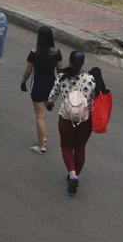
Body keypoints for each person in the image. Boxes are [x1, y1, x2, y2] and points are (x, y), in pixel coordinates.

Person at [47, 50, 97, 195]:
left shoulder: (62, 77)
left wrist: (50, 103)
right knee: (80, 148)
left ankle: (72, 173)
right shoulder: (90, 79)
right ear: (83, 63)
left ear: (69, 61)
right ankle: (74, 176)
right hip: (84, 120)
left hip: (66, 119)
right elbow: (94, 98)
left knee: (66, 147)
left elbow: (53, 95)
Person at [20, 26, 64, 154]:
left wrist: (23, 82)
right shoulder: (57, 52)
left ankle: (41, 146)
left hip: (37, 87)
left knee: (40, 117)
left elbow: (28, 71)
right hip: (51, 86)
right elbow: (60, 71)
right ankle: (41, 139)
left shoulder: (34, 52)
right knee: (43, 113)